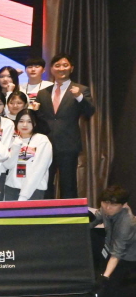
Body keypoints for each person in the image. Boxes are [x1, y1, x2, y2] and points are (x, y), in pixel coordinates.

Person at [33, 53, 95, 199]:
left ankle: (70, 213)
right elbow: (39, 120)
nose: (61, 68)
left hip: (68, 145)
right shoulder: (42, 93)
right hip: (45, 145)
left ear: (71, 68)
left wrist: (79, 97)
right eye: (57, 65)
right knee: (44, 184)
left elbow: (90, 111)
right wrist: (33, 112)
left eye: (65, 65)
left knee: (68, 184)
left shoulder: (81, 90)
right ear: (51, 69)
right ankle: (45, 212)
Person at [91, 185, 136, 297]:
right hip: (110, 249)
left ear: (124, 205)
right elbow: (95, 220)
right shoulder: (106, 209)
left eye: (113, 205)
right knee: (89, 234)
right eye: (105, 203)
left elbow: (117, 254)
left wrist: (105, 277)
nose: (108, 208)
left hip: (127, 259)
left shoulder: (126, 223)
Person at [2, 110, 53, 201]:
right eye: (21, 121)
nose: (25, 125)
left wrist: (24, 196)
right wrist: (15, 147)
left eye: (29, 121)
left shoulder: (42, 140)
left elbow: (39, 170)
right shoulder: (13, 140)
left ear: (35, 123)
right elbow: (8, 165)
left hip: (34, 190)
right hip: (12, 188)